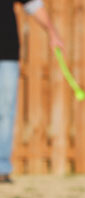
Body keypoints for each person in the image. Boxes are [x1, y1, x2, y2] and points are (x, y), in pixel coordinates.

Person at [1, 0, 63, 184]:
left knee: (4, 113)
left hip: (6, 54)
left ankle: (1, 168)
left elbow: (34, 5)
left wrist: (52, 32)